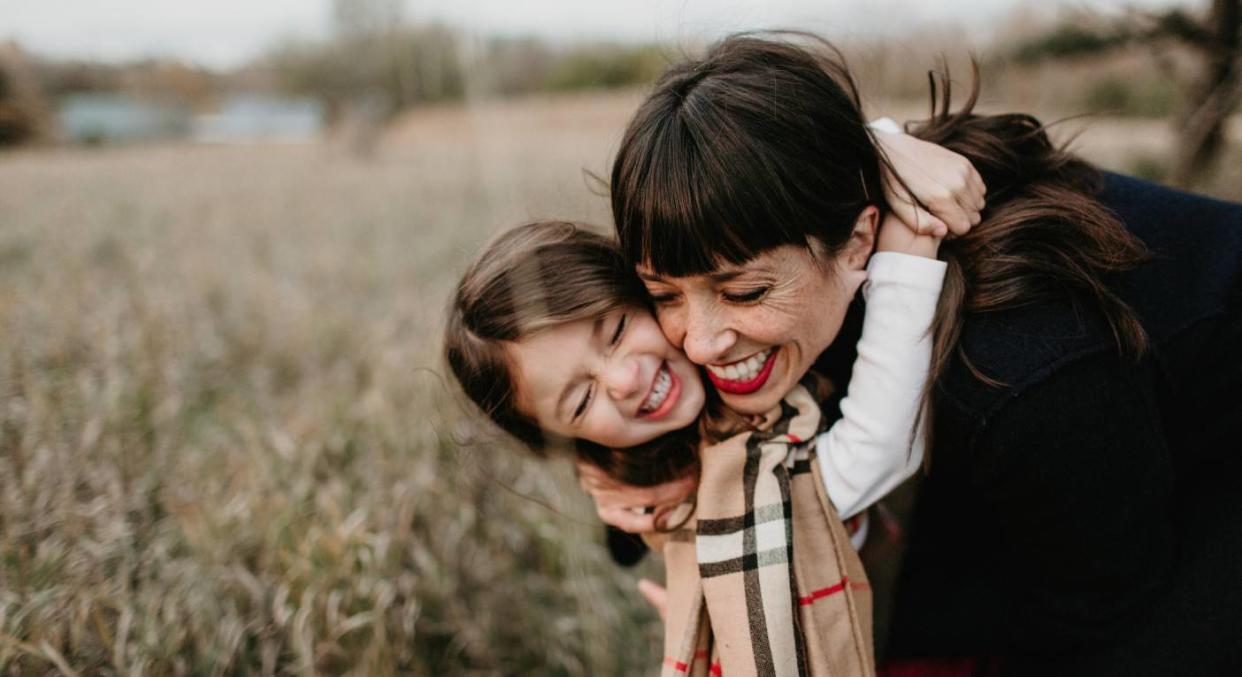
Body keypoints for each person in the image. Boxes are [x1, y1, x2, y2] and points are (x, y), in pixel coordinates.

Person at [593, 31, 1242, 676]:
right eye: (663, 295)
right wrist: (629, 486)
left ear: (857, 243)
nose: (701, 342)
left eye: (745, 291)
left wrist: (785, 594)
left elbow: (1101, 599)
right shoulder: (809, 219)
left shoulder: (1020, 371)